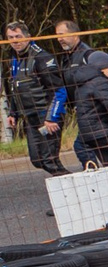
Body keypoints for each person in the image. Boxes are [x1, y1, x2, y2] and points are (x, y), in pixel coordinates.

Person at [50, 29, 108, 169]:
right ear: (102, 67)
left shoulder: (82, 82)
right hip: (99, 130)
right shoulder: (98, 82)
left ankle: (92, 168)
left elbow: (99, 107)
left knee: (100, 154)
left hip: (90, 130)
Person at [2, 24, 66, 176]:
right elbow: (16, 88)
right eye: (11, 37)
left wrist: (51, 117)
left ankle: (68, 180)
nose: (15, 41)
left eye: (18, 37)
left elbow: (59, 90)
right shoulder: (14, 57)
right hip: (30, 117)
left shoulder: (41, 57)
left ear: (28, 37)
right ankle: (65, 178)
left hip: (47, 115)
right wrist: (13, 113)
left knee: (48, 160)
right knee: (37, 160)